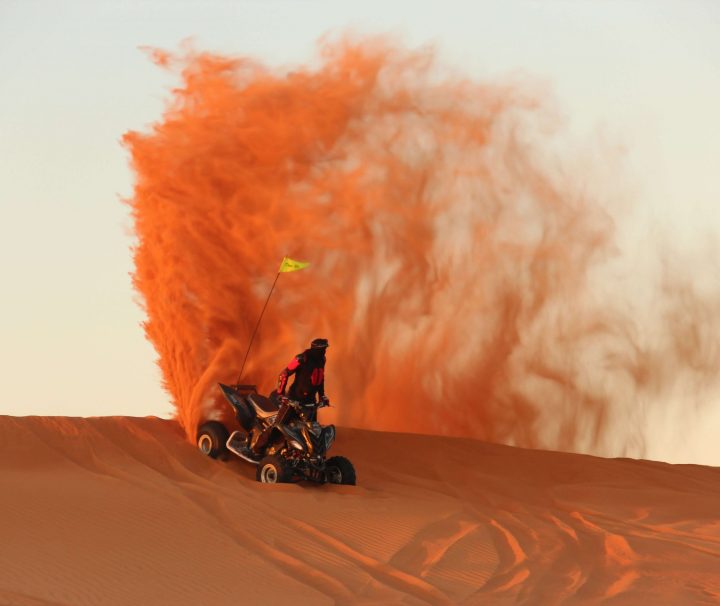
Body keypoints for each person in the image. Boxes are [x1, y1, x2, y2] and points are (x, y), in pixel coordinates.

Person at [246, 338, 330, 457]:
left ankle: (307, 458)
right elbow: (284, 374)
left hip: (310, 403)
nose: (325, 351)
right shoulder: (301, 359)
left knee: (312, 433)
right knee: (277, 427)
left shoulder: (322, 360)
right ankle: (256, 450)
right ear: (316, 349)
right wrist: (281, 394)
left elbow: (320, 379)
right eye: (323, 349)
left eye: (326, 348)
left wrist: (322, 396)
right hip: (294, 400)